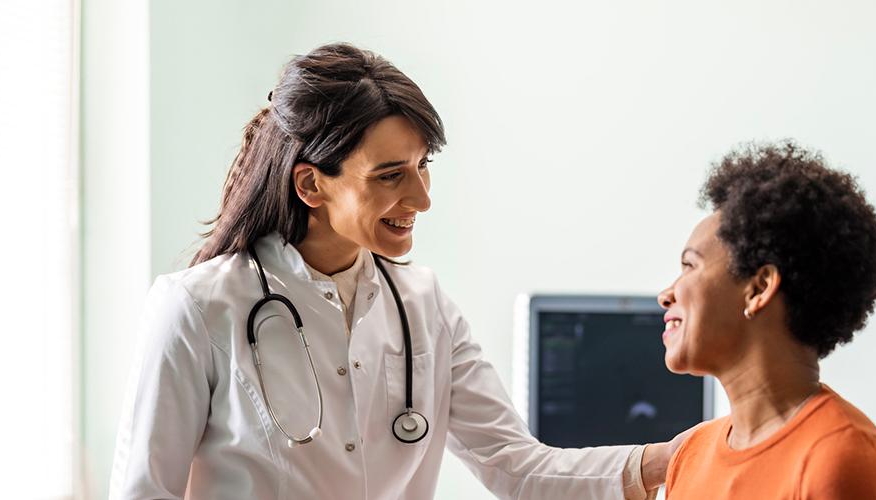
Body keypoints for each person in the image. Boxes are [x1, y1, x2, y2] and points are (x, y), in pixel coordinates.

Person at [109, 42, 679, 500]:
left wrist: (676, 457)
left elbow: (518, 468)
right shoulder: (199, 306)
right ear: (311, 183)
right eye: (389, 175)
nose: (422, 199)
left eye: (421, 166)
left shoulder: (423, 305)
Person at [657, 141, 876, 499]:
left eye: (689, 266)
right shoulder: (690, 455)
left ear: (759, 288)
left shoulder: (842, 462)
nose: (666, 294)